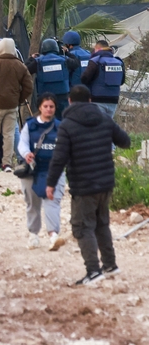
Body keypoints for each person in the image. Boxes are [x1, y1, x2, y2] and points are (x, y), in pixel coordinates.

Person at [46, 85, 131, 286]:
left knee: (82, 227)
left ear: (69, 101)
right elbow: (126, 141)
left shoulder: (67, 124)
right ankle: (110, 265)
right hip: (105, 182)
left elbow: (59, 158)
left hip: (83, 184)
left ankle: (93, 271)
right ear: (90, 100)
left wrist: (50, 183)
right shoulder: (104, 118)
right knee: (102, 224)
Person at [17, 93, 66, 250]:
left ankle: (53, 235)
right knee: (32, 203)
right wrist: (26, 154)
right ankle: (33, 234)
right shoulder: (30, 125)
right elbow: (22, 143)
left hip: (54, 170)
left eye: (51, 106)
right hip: (33, 170)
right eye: (45, 106)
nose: (49, 109)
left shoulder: (60, 127)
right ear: (40, 107)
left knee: (53, 200)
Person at [0, 38, 33, 172]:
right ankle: (7, 164)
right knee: (9, 135)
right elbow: (29, 86)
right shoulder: (20, 65)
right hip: (12, 105)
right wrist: (19, 99)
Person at [26, 39, 80, 118]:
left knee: (46, 121)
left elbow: (25, 69)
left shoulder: (38, 62)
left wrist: (31, 58)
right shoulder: (64, 60)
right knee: (63, 120)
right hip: (62, 96)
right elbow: (76, 63)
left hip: (44, 98)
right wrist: (67, 52)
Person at [81, 40, 125, 119]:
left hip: (97, 99)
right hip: (113, 100)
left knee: (97, 127)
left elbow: (84, 79)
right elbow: (121, 81)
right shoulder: (119, 62)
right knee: (108, 126)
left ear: (97, 49)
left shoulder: (95, 61)